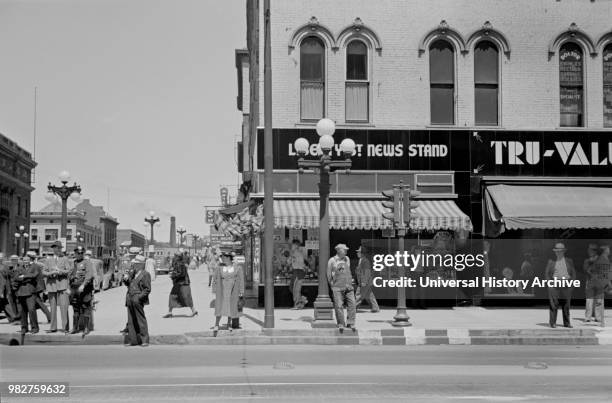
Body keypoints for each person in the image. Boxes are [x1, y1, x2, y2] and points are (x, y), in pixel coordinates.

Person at [545, 242, 576, 328]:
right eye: (557, 251)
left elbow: (573, 273)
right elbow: (547, 274)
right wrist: (549, 284)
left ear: (563, 251)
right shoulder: (551, 261)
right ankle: (553, 323)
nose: (558, 252)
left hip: (566, 284)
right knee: (553, 304)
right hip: (554, 284)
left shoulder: (569, 261)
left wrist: (572, 284)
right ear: (555, 252)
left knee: (566, 305)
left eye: (560, 251)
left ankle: (567, 323)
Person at [42, 241, 71, 333]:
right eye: (56, 248)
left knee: (64, 307)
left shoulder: (65, 259)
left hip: (62, 285)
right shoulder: (48, 259)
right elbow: (43, 272)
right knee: (53, 307)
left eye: (59, 248)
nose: (57, 250)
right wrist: (51, 273)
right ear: (53, 249)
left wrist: (60, 271)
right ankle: (53, 327)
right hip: (51, 285)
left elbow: (69, 271)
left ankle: (65, 328)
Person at [212, 251, 244, 331]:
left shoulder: (237, 268)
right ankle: (216, 324)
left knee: (231, 306)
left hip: (233, 290)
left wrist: (241, 291)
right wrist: (214, 289)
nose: (223, 258)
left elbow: (241, 280)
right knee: (220, 307)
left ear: (229, 258)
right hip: (222, 290)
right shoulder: (219, 267)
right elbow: (214, 278)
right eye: (222, 257)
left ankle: (229, 324)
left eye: (225, 257)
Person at [123, 255, 151, 346]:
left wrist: (139, 297)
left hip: (137, 298)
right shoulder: (132, 273)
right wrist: (125, 279)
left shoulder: (145, 274)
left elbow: (147, 289)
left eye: (135, 264)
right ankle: (133, 340)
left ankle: (144, 340)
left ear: (140, 264)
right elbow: (128, 284)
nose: (133, 265)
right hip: (130, 298)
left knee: (140, 319)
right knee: (131, 320)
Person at [327, 244, 356, 330]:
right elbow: (329, 274)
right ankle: (341, 323)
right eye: (345, 250)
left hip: (348, 286)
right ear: (339, 250)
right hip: (337, 287)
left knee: (352, 304)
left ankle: (351, 322)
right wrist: (332, 285)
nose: (346, 251)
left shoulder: (347, 259)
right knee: (339, 306)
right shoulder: (332, 260)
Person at [68, 246, 95, 336]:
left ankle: (86, 328)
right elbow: (70, 274)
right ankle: (75, 328)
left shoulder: (87, 262)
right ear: (75, 254)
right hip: (75, 288)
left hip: (84, 288)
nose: (79, 254)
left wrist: (83, 285)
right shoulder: (74, 262)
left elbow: (89, 274)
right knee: (76, 308)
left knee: (85, 307)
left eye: (81, 253)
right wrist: (69, 287)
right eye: (78, 253)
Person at [163, 251, 197, 318]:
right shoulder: (178, 263)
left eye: (175, 256)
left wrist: (173, 276)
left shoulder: (180, 264)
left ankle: (194, 311)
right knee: (173, 296)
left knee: (186, 298)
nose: (174, 257)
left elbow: (181, 274)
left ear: (178, 257)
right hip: (179, 283)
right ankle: (169, 312)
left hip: (183, 283)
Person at [11, 255, 39, 334]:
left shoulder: (34, 267)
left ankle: (35, 328)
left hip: (31, 292)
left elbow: (34, 276)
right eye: (24, 260)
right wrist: (26, 278)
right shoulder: (19, 268)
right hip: (20, 292)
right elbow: (15, 278)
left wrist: (23, 276)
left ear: (30, 260)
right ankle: (24, 328)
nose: (26, 261)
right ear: (22, 261)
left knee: (31, 310)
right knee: (22, 311)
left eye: (27, 260)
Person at [585, 245, 609, 326]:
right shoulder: (587, 260)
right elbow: (586, 270)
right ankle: (588, 317)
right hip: (590, 282)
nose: (590, 251)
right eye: (590, 250)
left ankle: (597, 317)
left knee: (598, 300)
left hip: (599, 283)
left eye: (593, 250)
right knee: (589, 300)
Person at [25, 252, 51, 324]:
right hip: (37, 286)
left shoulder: (35, 265)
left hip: (36, 287)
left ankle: (50, 317)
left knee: (39, 302)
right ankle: (50, 317)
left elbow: (35, 276)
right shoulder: (36, 264)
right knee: (39, 302)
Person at [354, 246, 379, 312]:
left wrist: (364, 282)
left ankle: (353, 308)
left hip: (365, 282)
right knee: (369, 295)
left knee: (358, 294)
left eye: (358, 252)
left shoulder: (365, 261)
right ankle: (375, 308)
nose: (357, 253)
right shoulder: (361, 260)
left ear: (362, 253)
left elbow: (367, 271)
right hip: (364, 282)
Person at [0, 252, 19, 323]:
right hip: (4, 288)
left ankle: (14, 318)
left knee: (5, 303)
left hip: (2, 289)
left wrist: (1, 291)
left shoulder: (2, 267)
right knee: (4, 303)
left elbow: (3, 281)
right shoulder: (4, 266)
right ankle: (12, 318)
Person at [289, 239, 307, 309]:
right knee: (292, 288)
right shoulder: (294, 253)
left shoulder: (298, 253)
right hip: (297, 271)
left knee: (295, 289)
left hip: (299, 271)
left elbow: (300, 264)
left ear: (296, 246)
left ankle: (298, 304)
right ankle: (301, 301)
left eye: (292, 245)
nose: (291, 246)